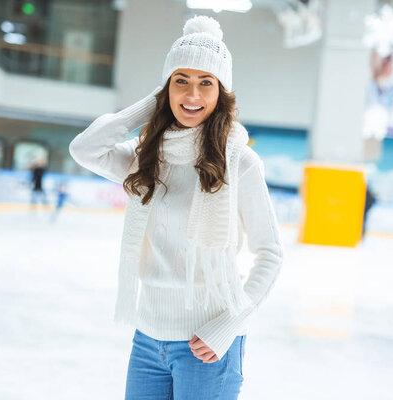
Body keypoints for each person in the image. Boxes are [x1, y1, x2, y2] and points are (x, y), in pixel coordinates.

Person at [69, 15, 283, 399]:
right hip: (148, 338)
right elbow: (84, 149)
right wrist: (151, 105)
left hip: (209, 343)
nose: (192, 96)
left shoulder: (241, 163)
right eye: (181, 81)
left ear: (222, 92)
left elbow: (270, 254)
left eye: (206, 83)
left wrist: (228, 325)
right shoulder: (147, 157)